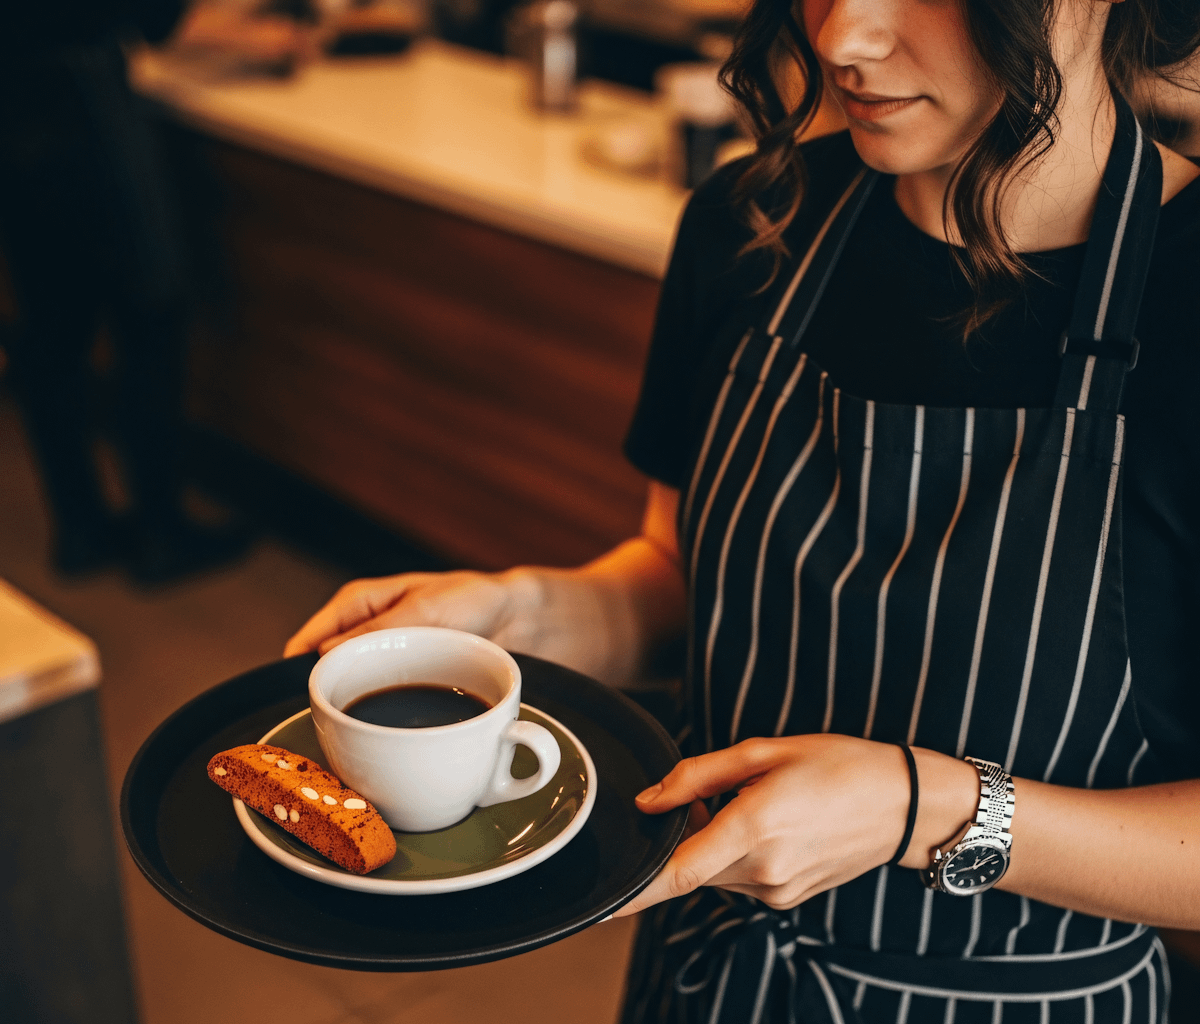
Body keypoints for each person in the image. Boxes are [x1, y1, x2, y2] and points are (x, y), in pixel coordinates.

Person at [285, 0, 1200, 1019]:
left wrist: (920, 809)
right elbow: (685, 573)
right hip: (710, 979)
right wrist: (528, 615)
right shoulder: (752, 223)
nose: (842, 37)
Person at [0, 1, 302, 584]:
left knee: (52, 332)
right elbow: (166, 20)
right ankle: (161, 532)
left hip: (12, 111)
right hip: (82, 110)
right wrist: (270, 38)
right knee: (153, 314)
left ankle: (80, 527)